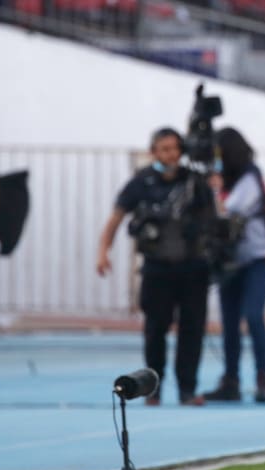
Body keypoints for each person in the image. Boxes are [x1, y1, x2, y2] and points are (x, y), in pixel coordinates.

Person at [96, 127, 215, 406]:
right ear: (154, 152)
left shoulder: (194, 182)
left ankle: (187, 388)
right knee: (155, 330)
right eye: (164, 149)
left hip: (192, 267)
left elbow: (213, 219)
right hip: (157, 268)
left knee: (192, 330)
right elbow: (115, 218)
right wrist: (103, 252)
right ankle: (153, 387)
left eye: (174, 148)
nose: (170, 154)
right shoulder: (141, 182)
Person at [201, 127, 265, 404]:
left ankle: (263, 377)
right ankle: (231, 379)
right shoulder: (230, 180)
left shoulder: (249, 177)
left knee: (253, 315)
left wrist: (213, 190)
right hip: (231, 260)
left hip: (259, 258)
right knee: (230, 321)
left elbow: (229, 212)